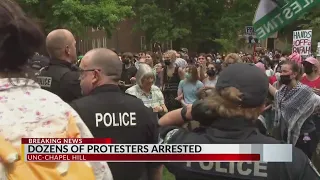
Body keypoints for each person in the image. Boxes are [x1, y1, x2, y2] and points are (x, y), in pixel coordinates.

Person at [0, 0, 112, 179]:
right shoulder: (62, 109)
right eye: (75, 45)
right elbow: (101, 172)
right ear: (68, 50)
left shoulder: (44, 74)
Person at [159, 63, 320, 180]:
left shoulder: (182, 146)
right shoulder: (287, 158)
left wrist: (189, 112)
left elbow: (156, 128)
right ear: (263, 106)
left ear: (215, 97)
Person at [69, 48, 161, 180]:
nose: (79, 78)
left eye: (82, 73)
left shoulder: (75, 112)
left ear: (95, 75)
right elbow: (155, 165)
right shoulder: (143, 110)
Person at [269, 60, 320, 159]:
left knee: (301, 165)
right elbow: (277, 95)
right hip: (288, 134)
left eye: (284, 71)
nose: (281, 74)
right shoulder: (283, 90)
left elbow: (317, 100)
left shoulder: (304, 91)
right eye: (280, 71)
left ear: (294, 74)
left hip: (304, 137)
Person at [37, 29, 81, 103]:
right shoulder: (73, 78)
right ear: (68, 50)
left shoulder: (41, 74)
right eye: (74, 45)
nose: (75, 48)